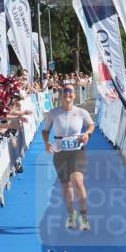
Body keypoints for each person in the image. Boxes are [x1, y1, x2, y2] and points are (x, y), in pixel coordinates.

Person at [42, 83, 95, 231]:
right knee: (66, 185)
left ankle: (84, 217)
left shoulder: (81, 112)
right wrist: (46, 143)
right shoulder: (53, 113)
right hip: (60, 152)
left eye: (70, 91)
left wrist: (86, 134)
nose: (68, 94)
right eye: (65, 91)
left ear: (74, 95)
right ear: (60, 95)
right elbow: (45, 130)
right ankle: (71, 215)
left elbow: (91, 125)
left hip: (77, 150)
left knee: (78, 181)